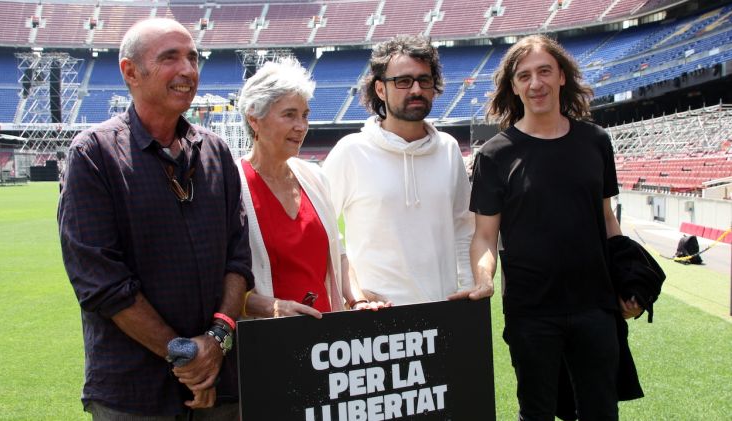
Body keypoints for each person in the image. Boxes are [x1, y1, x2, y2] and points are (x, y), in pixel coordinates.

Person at [57, 18, 253, 419]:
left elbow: (238, 260)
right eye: (170, 58)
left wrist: (215, 342)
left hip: (221, 383)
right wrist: (185, 356)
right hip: (135, 392)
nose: (187, 70)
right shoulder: (93, 155)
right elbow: (102, 283)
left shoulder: (215, 152)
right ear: (130, 71)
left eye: (193, 58)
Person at [467, 34, 643, 420]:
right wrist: (484, 278)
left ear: (562, 75)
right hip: (531, 311)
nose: (536, 83)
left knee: (602, 411)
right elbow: (484, 235)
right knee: (537, 413)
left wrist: (627, 281)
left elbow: (607, 219)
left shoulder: (596, 141)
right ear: (513, 86)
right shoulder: (496, 154)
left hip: (595, 306)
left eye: (545, 71)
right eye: (525, 75)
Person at [322, 35, 475, 305]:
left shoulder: (449, 149)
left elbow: (464, 227)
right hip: (378, 316)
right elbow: (322, 229)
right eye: (403, 81)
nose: (415, 89)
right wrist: (353, 291)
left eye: (424, 80)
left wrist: (470, 287)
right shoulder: (352, 151)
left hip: (443, 310)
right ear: (380, 89)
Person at [235, 58, 384, 318]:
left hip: (323, 342)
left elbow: (340, 257)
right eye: (289, 115)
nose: (301, 126)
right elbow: (218, 280)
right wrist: (273, 308)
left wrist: (358, 300)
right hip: (267, 341)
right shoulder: (233, 185)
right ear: (254, 119)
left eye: (305, 115)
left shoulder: (314, 178)